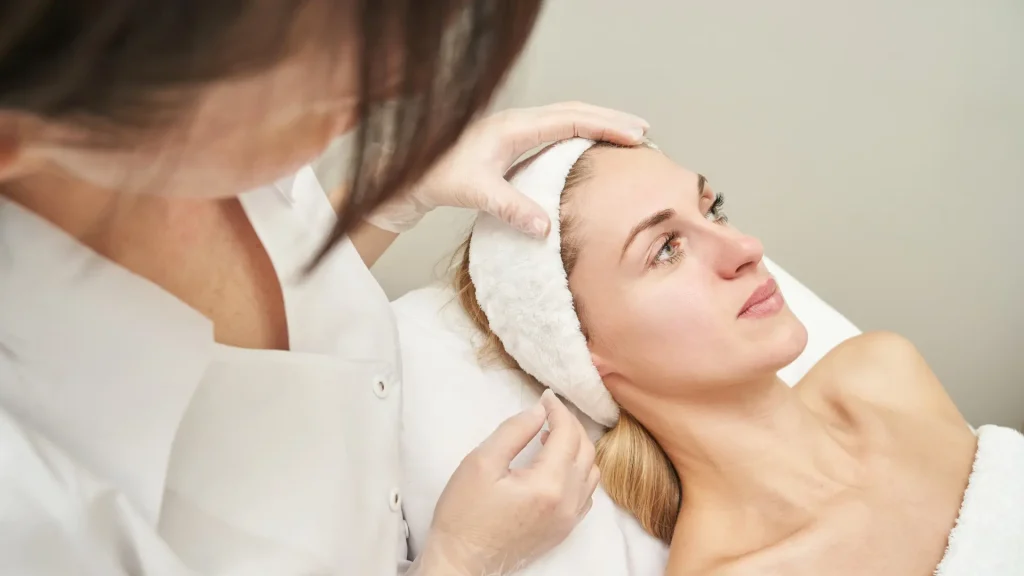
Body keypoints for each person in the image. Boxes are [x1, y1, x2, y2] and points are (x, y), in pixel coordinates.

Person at [0, 2, 651, 575]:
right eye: (331, 96)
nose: (405, 82)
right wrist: (458, 564)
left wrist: (391, 196)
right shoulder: (30, 496)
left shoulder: (202, 122)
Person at [454, 141, 987, 575]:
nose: (746, 248)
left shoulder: (883, 372)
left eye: (715, 210)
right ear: (583, 352)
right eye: (665, 248)